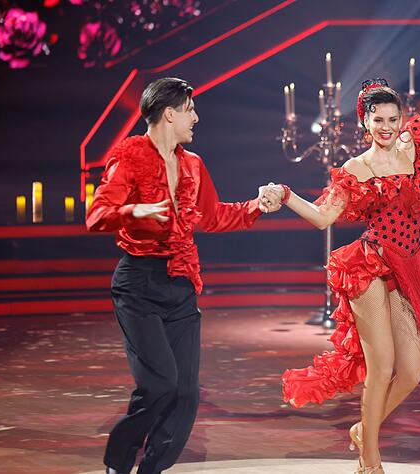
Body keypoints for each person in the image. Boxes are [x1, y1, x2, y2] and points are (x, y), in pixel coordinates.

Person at [273, 24, 420, 474]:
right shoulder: (355, 167)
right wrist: (287, 196)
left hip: (410, 267)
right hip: (369, 266)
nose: (385, 127)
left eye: (392, 119)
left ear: (401, 121)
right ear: (364, 122)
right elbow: (324, 217)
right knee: (381, 367)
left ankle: (365, 428)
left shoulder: (411, 146)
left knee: (414, 371)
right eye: (376, 120)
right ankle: (369, 459)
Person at [86, 77, 282, 474]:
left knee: (187, 393)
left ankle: (152, 469)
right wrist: (133, 212)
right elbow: (95, 216)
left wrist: (256, 206)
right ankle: (118, 462)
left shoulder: (193, 164)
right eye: (190, 110)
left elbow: (212, 216)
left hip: (180, 284)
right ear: (170, 114)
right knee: (159, 385)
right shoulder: (127, 158)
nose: (197, 117)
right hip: (138, 285)